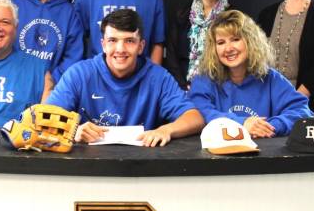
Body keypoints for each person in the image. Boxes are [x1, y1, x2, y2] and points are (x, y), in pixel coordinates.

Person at [46, 9, 204, 147]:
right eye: (112, 41)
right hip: (88, 168)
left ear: (141, 46)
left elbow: (195, 118)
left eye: (129, 41)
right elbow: (44, 117)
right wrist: (73, 131)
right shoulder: (79, 74)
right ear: (103, 45)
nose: (120, 49)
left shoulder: (158, 77)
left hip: (141, 168)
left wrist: (166, 130)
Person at [189, 10, 313, 138]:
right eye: (221, 42)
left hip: (264, 153)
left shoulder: (270, 78)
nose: (228, 48)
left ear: (250, 41)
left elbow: (302, 111)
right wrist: (242, 124)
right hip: (218, 155)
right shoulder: (204, 80)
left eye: (235, 39)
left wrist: (268, 127)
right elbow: (200, 113)